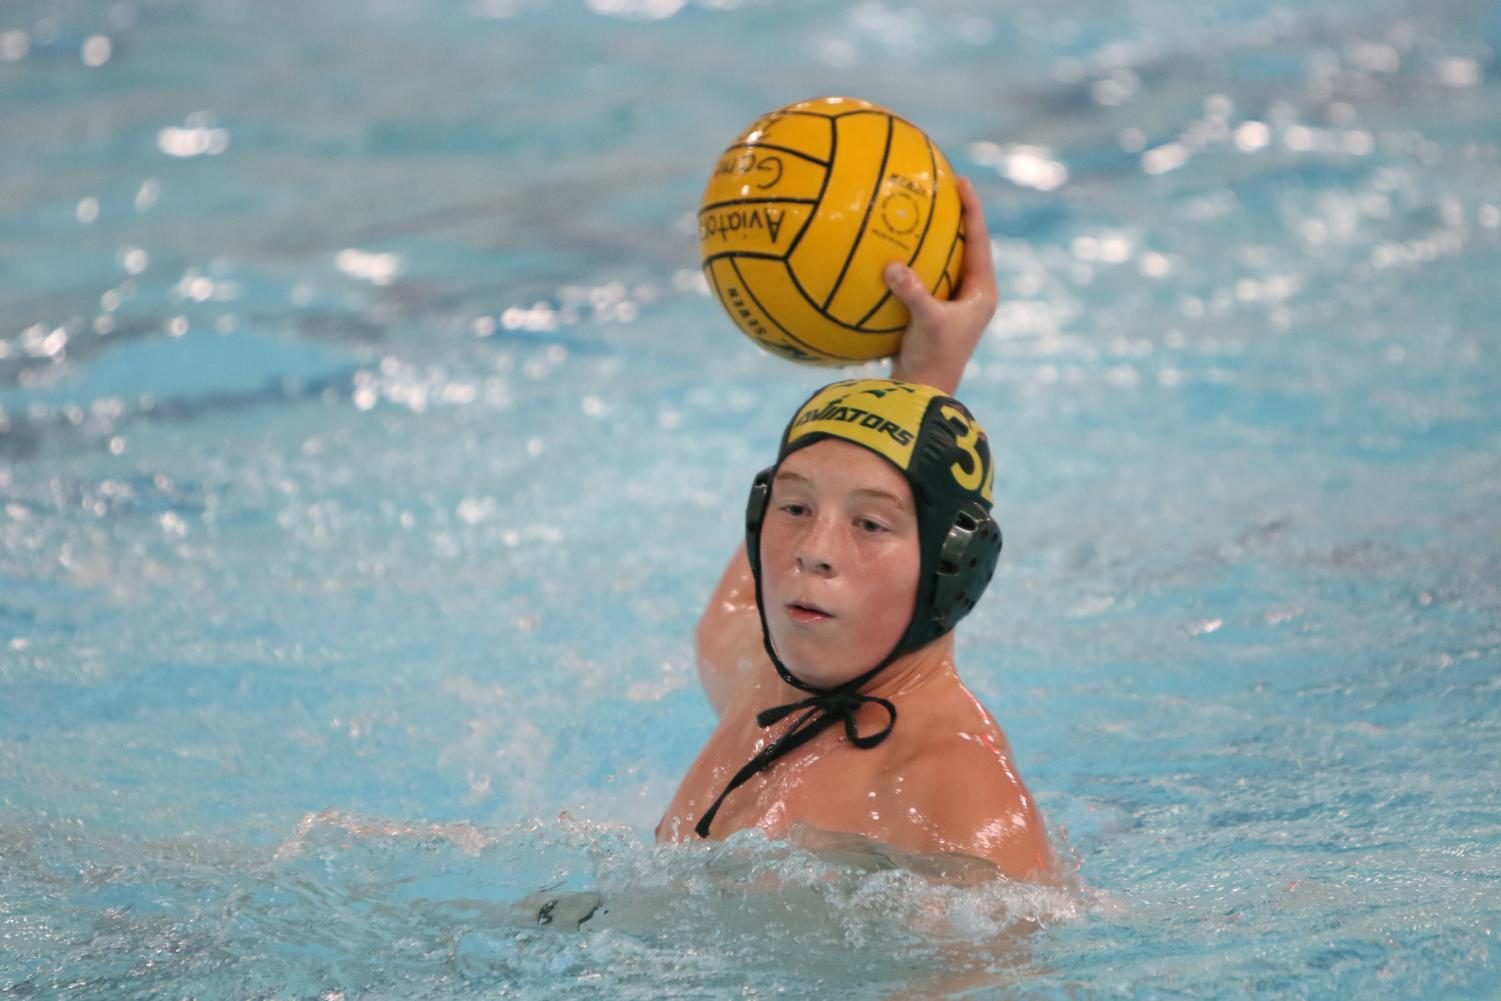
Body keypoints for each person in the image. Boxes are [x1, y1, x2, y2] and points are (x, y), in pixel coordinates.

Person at [657, 179, 1054, 883]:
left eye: (870, 523)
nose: (812, 551)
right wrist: (927, 375)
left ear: (951, 568)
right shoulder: (763, 677)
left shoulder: (959, 797)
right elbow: (731, 613)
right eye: (793, 507)